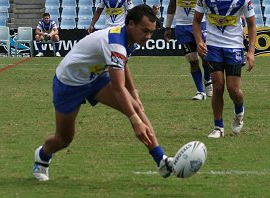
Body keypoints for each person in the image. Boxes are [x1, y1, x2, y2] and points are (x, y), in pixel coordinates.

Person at [33, 4, 173, 181]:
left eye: (151, 32)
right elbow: (117, 87)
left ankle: (161, 160)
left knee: (136, 107)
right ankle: (43, 155)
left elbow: (124, 64)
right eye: (145, 31)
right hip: (69, 83)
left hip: (95, 77)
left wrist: (134, 93)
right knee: (64, 138)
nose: (148, 37)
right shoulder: (115, 43)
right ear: (130, 24)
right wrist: (135, 121)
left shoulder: (130, 38)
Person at [193, 0, 256, 138]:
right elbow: (196, 21)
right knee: (218, 87)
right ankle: (218, 127)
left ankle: (239, 111)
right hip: (213, 47)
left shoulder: (243, 1)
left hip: (234, 47)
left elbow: (251, 25)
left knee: (234, 91)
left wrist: (251, 52)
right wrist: (199, 41)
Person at [164, 0, 212, 100]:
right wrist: (168, 27)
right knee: (192, 60)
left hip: (200, 25)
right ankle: (200, 92)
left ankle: (208, 79)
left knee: (205, 56)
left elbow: (210, 5)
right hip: (182, 27)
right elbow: (172, 6)